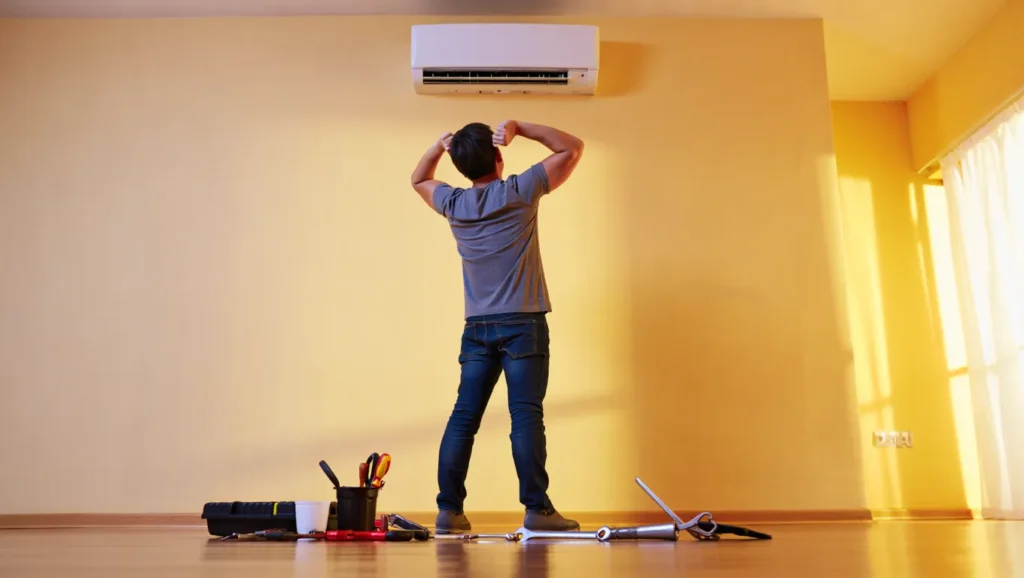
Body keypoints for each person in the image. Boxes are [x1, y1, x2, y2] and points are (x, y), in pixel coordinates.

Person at [409, 120, 585, 533]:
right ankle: (537, 511)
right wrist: (521, 128)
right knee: (525, 415)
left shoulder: (454, 203)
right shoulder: (519, 191)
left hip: (477, 327)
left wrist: (439, 145)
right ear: (499, 158)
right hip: (523, 323)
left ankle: (449, 511)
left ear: (460, 167)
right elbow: (572, 148)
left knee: (464, 417)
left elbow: (419, 178)